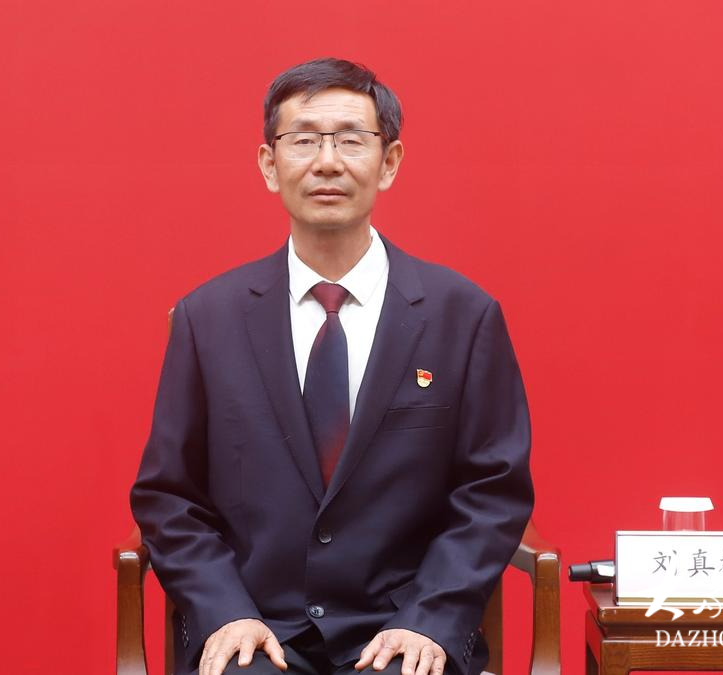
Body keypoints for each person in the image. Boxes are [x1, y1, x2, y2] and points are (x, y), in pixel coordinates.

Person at [130, 57, 534, 675]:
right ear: (269, 164)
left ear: (389, 162)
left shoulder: (463, 315)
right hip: (257, 630)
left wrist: (430, 618)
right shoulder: (207, 318)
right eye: (303, 140)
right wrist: (225, 612)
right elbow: (169, 496)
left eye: (350, 140)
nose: (326, 162)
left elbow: (492, 492)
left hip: (402, 626)